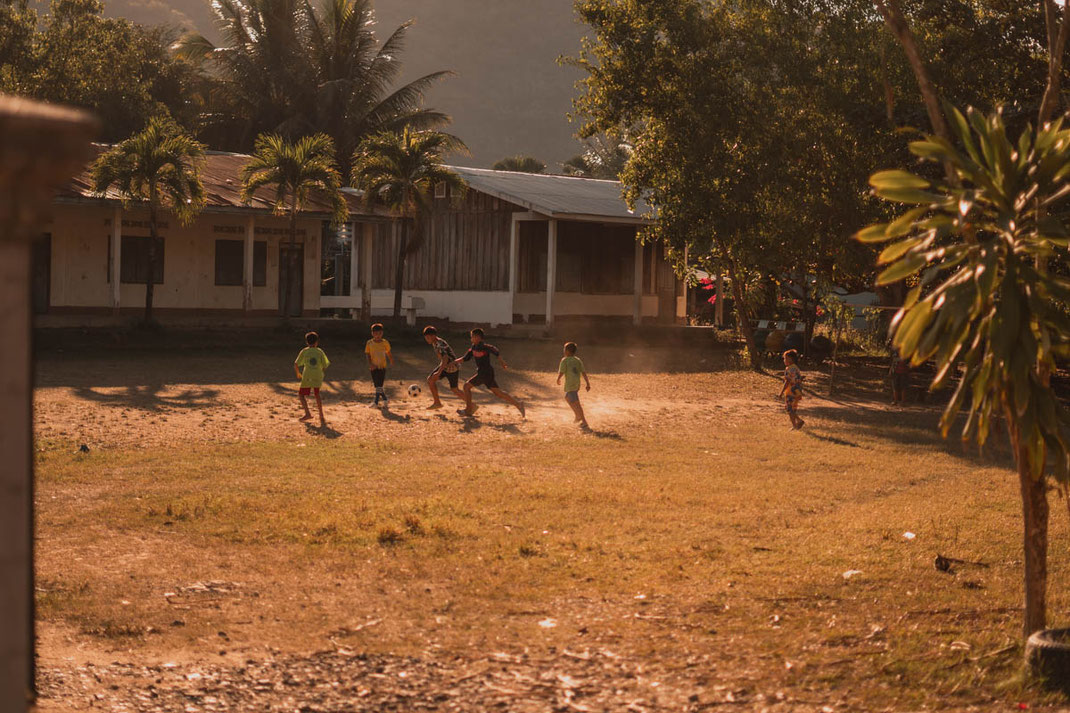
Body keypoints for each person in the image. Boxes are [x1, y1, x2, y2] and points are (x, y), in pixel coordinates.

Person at [454, 328, 525, 418]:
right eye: (471, 337)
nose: (471, 339)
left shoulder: (484, 347)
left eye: (473, 337)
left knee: (466, 386)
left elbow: (495, 350)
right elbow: (465, 358)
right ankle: (518, 404)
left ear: (478, 338)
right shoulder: (473, 347)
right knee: (498, 393)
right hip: (485, 373)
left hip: (485, 373)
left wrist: (502, 361)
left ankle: (469, 410)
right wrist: (454, 362)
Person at [423, 326, 464, 409]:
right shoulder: (436, 342)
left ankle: (471, 404)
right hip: (445, 366)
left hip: (452, 368)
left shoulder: (439, 344)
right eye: (425, 338)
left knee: (454, 389)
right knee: (430, 380)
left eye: (428, 337)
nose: (426, 339)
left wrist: (438, 373)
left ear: (433, 336)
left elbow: (445, 359)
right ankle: (437, 403)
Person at [294, 331, 329, 427]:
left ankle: (308, 413)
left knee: (301, 395)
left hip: (307, 376)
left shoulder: (304, 351)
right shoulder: (319, 351)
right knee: (317, 394)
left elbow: (296, 364)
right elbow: (326, 364)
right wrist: (321, 371)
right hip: (317, 375)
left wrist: (298, 373)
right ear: (317, 342)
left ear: (306, 342)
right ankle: (321, 415)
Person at [556, 341, 591, 429]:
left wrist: (558, 378)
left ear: (567, 351)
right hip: (576, 384)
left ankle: (584, 421)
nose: (563, 351)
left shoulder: (565, 360)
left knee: (576, 403)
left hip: (570, 385)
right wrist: (587, 383)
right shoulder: (577, 360)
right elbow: (583, 372)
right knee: (567, 398)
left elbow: (562, 372)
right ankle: (577, 416)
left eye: (564, 349)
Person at [365, 323, 394, 407]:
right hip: (373, 367)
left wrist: (391, 360)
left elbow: (388, 352)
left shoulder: (385, 343)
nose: (378, 335)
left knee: (379, 384)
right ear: (372, 333)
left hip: (382, 367)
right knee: (377, 385)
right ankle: (385, 399)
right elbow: (367, 354)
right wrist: (370, 364)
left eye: (380, 333)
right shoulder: (369, 343)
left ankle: (376, 402)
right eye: (376, 334)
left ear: (382, 333)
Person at [779, 349, 805, 430]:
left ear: (791, 359)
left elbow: (787, 381)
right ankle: (795, 425)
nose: (784, 360)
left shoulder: (789, 369)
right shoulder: (796, 368)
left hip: (791, 391)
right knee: (792, 409)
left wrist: (781, 392)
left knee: (789, 409)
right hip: (797, 391)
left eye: (786, 358)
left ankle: (798, 422)